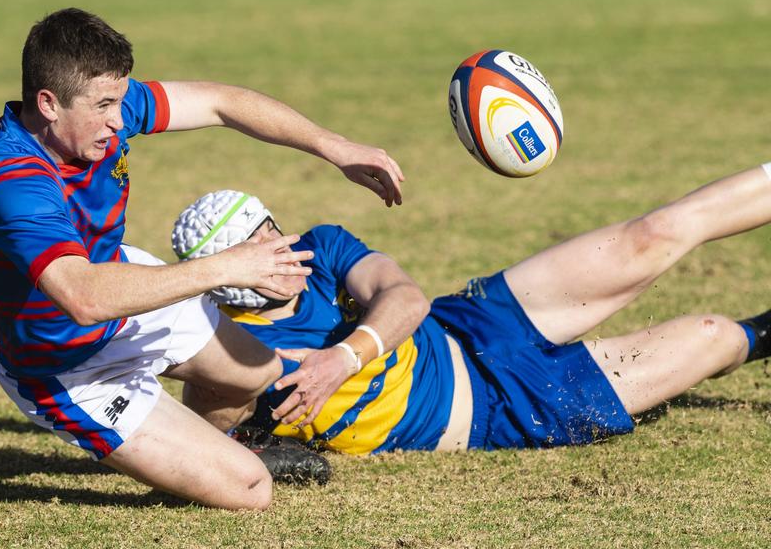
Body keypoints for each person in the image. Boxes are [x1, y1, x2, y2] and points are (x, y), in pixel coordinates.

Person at [0, 7, 404, 510]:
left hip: (120, 285)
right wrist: (229, 266)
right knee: (251, 490)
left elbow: (220, 102)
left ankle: (208, 451)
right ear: (48, 104)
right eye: (105, 106)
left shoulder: (100, 113)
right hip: (64, 364)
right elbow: (82, 297)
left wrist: (334, 146)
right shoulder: (13, 182)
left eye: (121, 101)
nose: (118, 118)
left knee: (255, 371)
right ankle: (203, 462)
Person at [171, 166, 771, 454]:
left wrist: (341, 359)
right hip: (493, 410)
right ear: (227, 283)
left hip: (471, 321)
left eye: (272, 230)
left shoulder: (320, 245)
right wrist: (246, 433)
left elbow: (406, 298)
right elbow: (203, 425)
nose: (282, 250)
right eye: (259, 252)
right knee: (712, 334)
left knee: (650, 235)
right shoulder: (228, 344)